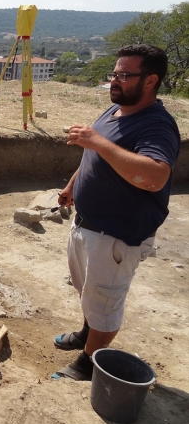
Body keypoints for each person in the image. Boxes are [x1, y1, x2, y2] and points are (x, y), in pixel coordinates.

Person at [52, 44, 180, 381]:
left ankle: (88, 364)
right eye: (115, 73)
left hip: (116, 234)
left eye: (124, 75)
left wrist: (97, 141)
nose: (114, 81)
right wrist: (72, 186)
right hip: (89, 225)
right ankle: (85, 333)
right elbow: (96, 157)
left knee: (105, 302)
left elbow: (154, 177)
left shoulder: (156, 125)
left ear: (151, 80)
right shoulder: (116, 111)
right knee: (89, 290)